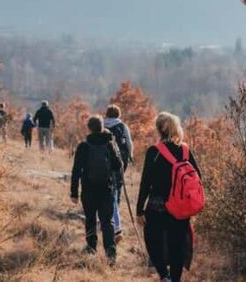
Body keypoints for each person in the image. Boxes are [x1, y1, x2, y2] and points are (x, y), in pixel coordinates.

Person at [136, 112, 201, 282]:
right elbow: (198, 177)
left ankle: (164, 276)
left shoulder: (154, 152)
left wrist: (139, 210)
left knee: (153, 241)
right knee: (176, 246)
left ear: (158, 129)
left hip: (158, 206)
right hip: (181, 208)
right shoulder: (185, 151)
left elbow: (145, 182)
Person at [70, 115, 123, 265]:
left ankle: (91, 248)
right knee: (107, 221)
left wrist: (74, 193)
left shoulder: (83, 146)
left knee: (90, 219)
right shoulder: (109, 144)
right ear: (102, 127)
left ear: (89, 128)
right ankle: (110, 252)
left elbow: (76, 171)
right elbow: (118, 166)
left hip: (88, 190)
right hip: (106, 189)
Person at [103, 104, 134, 242]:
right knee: (117, 186)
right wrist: (130, 155)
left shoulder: (102, 125)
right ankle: (116, 211)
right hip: (121, 160)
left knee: (107, 186)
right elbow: (129, 142)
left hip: (105, 160)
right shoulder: (122, 126)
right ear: (118, 114)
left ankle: (109, 216)